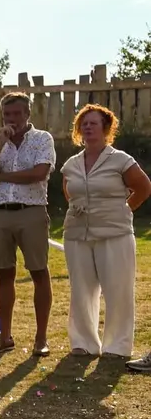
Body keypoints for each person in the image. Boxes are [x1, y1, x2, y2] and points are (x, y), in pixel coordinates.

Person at [58, 105, 151, 367]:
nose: (88, 127)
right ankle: (83, 343)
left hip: (115, 233)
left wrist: (123, 210)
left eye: (93, 123)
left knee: (118, 289)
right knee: (81, 290)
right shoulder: (71, 164)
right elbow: (70, 193)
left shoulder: (121, 160)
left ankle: (117, 346)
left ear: (106, 128)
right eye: (83, 123)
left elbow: (143, 188)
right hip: (77, 234)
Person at [0, 93, 57, 355]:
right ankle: (5, 337)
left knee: (39, 272)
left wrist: (0, 176)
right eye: (7, 115)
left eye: (17, 114)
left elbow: (38, 174)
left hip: (31, 211)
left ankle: (41, 339)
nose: (12, 119)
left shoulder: (43, 139)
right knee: (4, 274)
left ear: (28, 114)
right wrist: (0, 144)